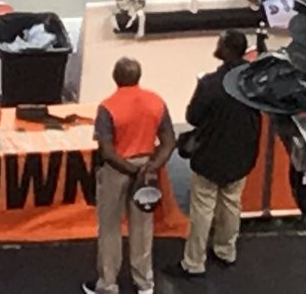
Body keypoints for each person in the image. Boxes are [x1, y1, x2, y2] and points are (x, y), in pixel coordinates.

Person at [170, 31, 260, 279]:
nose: (217, 45)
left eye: (220, 43)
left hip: (210, 157)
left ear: (228, 50)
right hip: (242, 155)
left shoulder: (210, 83)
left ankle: (194, 262)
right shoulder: (254, 81)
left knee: (203, 208)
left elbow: (192, 117)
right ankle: (225, 250)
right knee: (232, 203)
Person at [84, 57, 176, 294]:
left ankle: (108, 284)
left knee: (109, 227)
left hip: (117, 169)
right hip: (146, 168)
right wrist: (151, 166)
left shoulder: (108, 107)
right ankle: (144, 283)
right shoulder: (156, 102)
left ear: (115, 78)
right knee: (143, 227)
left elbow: (106, 150)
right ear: (139, 76)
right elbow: (169, 141)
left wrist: (130, 169)